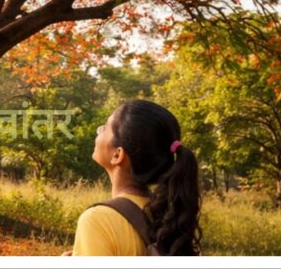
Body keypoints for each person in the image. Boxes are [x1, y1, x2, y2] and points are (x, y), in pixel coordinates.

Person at [70, 99, 202, 256]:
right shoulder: (167, 215)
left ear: (117, 155)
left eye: (105, 128)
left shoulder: (97, 220)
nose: (98, 131)